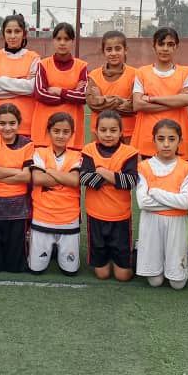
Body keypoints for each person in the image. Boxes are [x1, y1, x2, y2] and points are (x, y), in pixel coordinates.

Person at [79, 110, 139, 282]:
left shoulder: (129, 152)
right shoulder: (89, 150)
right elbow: (84, 178)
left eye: (113, 130)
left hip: (120, 217)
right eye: (103, 130)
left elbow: (131, 181)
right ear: (96, 131)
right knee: (102, 275)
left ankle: (136, 252)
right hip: (96, 216)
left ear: (121, 132)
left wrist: (101, 171)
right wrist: (116, 178)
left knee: (123, 276)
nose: (108, 134)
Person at [134, 119, 188, 289]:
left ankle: (178, 266)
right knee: (155, 281)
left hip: (177, 224)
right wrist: (175, 202)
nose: (166, 144)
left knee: (177, 283)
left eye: (172, 139)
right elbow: (143, 203)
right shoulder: (143, 167)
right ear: (154, 140)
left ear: (180, 141)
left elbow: (185, 202)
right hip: (151, 224)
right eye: (161, 139)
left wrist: (155, 192)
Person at [28, 113, 82, 275]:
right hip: (42, 217)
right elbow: (38, 178)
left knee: (70, 272)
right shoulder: (39, 152)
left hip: (68, 219)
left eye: (66, 132)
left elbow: (74, 180)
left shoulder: (77, 155)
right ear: (48, 131)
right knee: (36, 270)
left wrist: (49, 171)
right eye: (56, 131)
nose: (60, 135)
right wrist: (64, 177)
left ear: (72, 134)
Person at [0, 104, 34, 273]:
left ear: (19, 123)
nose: (7, 128)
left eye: (12, 123)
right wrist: (17, 172)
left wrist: (1, 173)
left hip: (18, 205)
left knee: (14, 266)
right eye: (2, 123)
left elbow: (27, 177)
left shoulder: (27, 144)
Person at [131, 27, 188, 161]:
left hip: (178, 141)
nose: (165, 48)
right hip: (147, 141)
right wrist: (176, 101)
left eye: (170, 44)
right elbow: (137, 104)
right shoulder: (141, 73)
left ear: (176, 47)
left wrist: (150, 99)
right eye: (161, 44)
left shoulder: (186, 73)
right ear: (154, 46)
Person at [31, 22, 87, 149]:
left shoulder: (81, 66)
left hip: (71, 130)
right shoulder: (43, 65)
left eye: (66, 39)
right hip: (44, 128)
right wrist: (71, 94)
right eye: (58, 39)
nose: (62, 43)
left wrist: (60, 91)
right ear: (53, 41)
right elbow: (40, 94)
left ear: (72, 41)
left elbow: (83, 96)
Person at [0, 13, 40, 137]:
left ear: (24, 34)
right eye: (9, 31)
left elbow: (32, 88)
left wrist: (1, 80)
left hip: (25, 124)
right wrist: (22, 87)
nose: (13, 36)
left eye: (17, 31)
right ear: (3, 34)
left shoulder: (34, 58)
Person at [86, 30, 137, 144]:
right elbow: (93, 104)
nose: (113, 53)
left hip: (127, 133)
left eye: (118, 49)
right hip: (99, 133)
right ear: (103, 51)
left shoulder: (136, 75)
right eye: (109, 49)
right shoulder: (94, 75)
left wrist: (102, 100)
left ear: (126, 50)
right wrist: (122, 101)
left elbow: (134, 106)